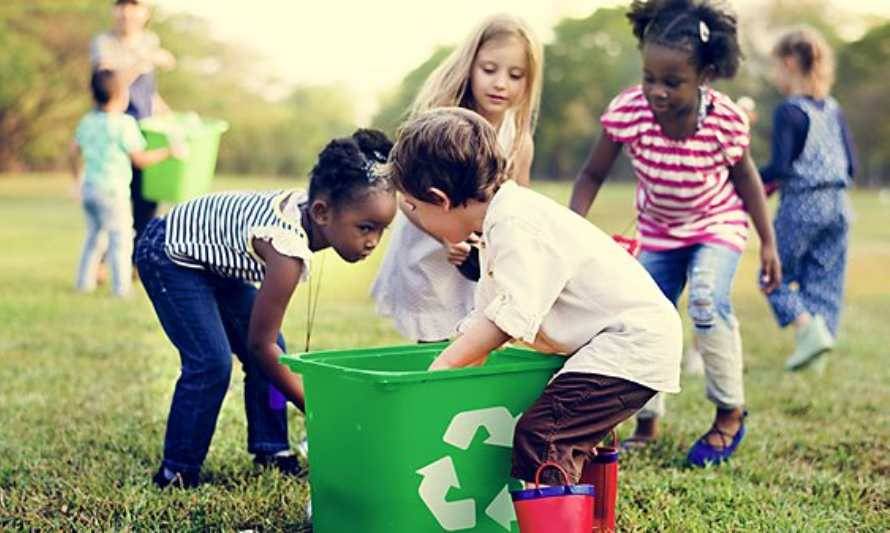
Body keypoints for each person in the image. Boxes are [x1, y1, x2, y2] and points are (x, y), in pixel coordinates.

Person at [384, 106, 682, 487]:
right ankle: (591, 517)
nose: (415, 217)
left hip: (629, 343)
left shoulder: (515, 224)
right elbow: (487, 315)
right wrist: (463, 354)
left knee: (545, 436)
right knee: (566, 430)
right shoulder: (503, 221)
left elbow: (504, 321)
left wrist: (443, 367)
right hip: (617, 342)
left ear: (439, 199)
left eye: (413, 207)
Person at [568, 0, 782, 466]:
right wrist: (572, 229)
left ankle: (730, 413)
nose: (656, 91)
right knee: (644, 317)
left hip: (716, 223)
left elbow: (745, 180)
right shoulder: (629, 111)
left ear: (704, 75)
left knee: (706, 301)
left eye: (672, 81)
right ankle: (647, 420)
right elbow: (590, 175)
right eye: (649, 77)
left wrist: (767, 241)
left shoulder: (724, 119)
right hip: (659, 231)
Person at [135, 130, 397, 488]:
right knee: (211, 363)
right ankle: (176, 471)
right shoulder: (286, 251)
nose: (372, 242)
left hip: (213, 263)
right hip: (169, 253)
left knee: (277, 354)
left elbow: (267, 347)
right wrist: (313, 406)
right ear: (321, 212)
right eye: (366, 228)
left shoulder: (310, 211)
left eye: (382, 230)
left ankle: (271, 448)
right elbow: (261, 345)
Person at [370, 13, 542, 342]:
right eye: (489, 70)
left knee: (475, 335)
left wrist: (484, 247)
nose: (501, 83)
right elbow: (406, 196)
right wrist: (446, 238)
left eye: (515, 75)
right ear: (470, 66)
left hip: (478, 258)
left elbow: (517, 208)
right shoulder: (438, 124)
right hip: (429, 250)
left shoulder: (518, 139)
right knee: (434, 338)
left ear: (528, 82)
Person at [759, 27, 855, 371]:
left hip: (803, 204)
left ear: (788, 63)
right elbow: (852, 165)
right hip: (840, 205)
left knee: (773, 276)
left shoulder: (789, 111)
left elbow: (780, 168)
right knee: (824, 281)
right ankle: (816, 358)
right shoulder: (834, 109)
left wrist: (743, 176)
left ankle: (806, 331)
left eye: (775, 67)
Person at [69, 69, 180, 297]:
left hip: (90, 188)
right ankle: (121, 289)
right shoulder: (124, 124)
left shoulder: (88, 122)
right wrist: (170, 151)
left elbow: (73, 151)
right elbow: (140, 160)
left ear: (93, 96)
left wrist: (76, 178)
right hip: (113, 191)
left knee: (93, 237)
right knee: (120, 238)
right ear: (123, 96)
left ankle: (83, 283)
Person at [91, 0, 176, 249]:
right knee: (114, 197)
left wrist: (169, 115)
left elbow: (147, 92)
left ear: (145, 12)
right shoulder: (104, 43)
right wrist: (143, 61)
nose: (127, 12)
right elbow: (109, 85)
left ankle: (139, 261)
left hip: (146, 128)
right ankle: (103, 262)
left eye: (134, 5)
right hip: (113, 128)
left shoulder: (150, 40)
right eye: (121, 5)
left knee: (147, 200)